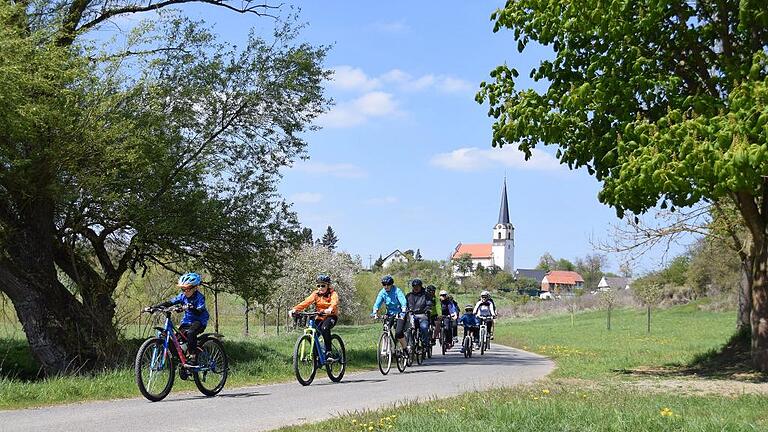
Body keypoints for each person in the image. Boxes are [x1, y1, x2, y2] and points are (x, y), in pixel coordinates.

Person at [145, 272, 209, 365]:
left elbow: (199, 310)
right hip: (187, 322)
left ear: (195, 288)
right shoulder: (182, 296)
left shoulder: (200, 297)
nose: (185, 291)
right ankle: (183, 360)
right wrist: (154, 307)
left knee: (191, 333)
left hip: (199, 321)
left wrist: (191, 307)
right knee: (177, 339)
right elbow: (169, 303)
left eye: (187, 289)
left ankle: (193, 355)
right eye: (183, 289)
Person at [290, 274, 339, 355]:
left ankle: (329, 351)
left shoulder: (333, 293)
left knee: (324, 328)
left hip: (331, 316)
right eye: (318, 285)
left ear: (328, 286)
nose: (320, 288)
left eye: (323, 285)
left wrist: (330, 309)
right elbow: (306, 302)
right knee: (311, 334)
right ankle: (317, 355)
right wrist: (295, 309)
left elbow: (334, 302)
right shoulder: (315, 294)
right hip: (320, 316)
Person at [370, 275, 408, 351]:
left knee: (398, 332)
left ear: (392, 284)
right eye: (384, 284)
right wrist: (374, 312)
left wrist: (403, 311)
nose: (386, 286)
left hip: (400, 314)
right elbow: (377, 303)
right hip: (390, 314)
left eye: (388, 284)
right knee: (385, 329)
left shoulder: (397, 291)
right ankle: (386, 348)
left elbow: (403, 302)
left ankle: (405, 349)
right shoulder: (382, 292)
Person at [405, 278, 433, 352]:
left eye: (417, 286)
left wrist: (427, 309)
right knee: (408, 330)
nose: (416, 288)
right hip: (412, 316)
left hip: (422, 315)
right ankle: (411, 345)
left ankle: (424, 344)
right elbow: (404, 305)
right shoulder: (408, 296)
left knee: (424, 328)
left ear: (421, 286)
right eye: (414, 286)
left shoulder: (426, 295)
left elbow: (429, 304)